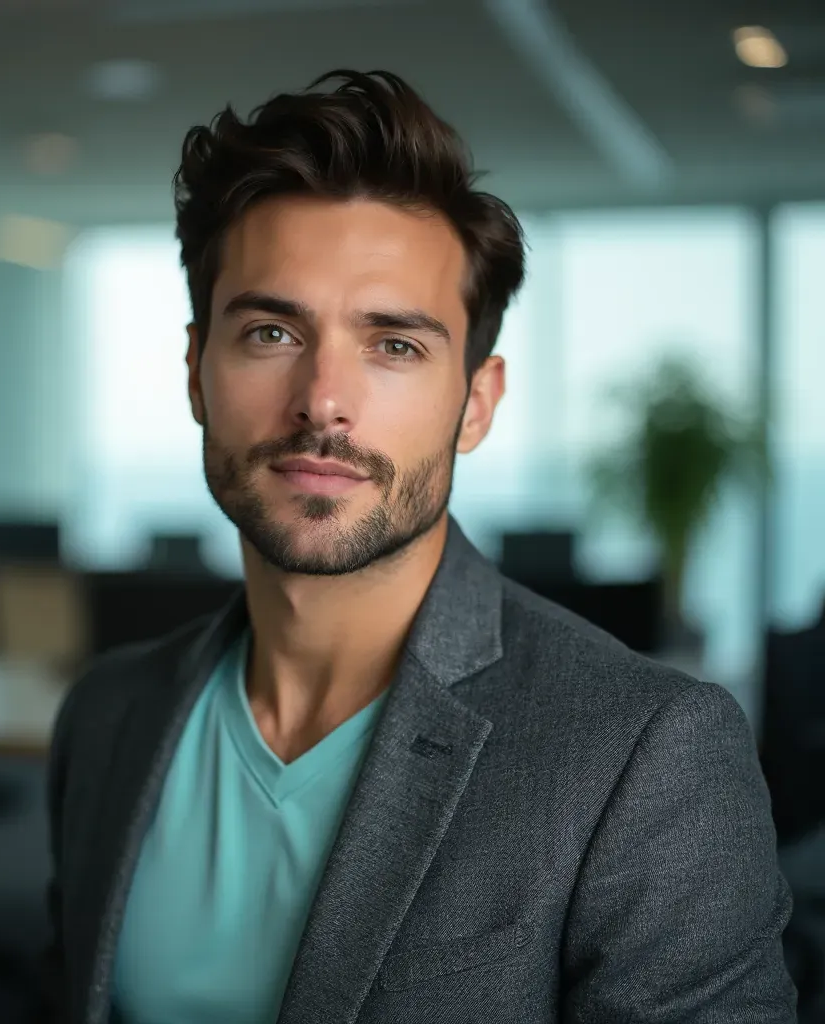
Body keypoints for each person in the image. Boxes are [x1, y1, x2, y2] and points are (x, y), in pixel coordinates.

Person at [42, 70, 797, 1023]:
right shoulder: (109, 717)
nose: (323, 400)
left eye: (394, 345)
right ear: (197, 373)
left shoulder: (643, 755)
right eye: (271, 331)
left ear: (476, 401)